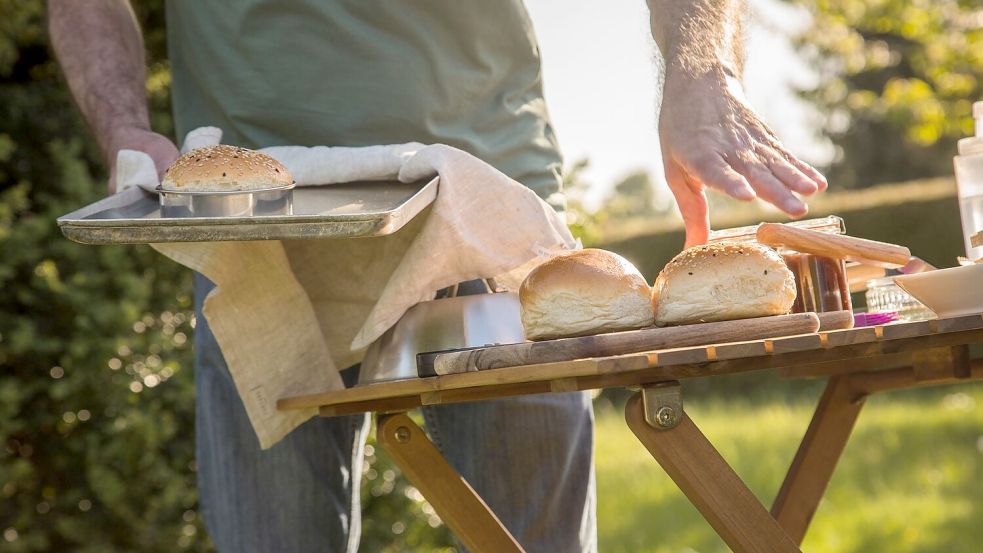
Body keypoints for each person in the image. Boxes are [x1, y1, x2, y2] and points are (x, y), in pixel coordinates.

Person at [48, 1, 827, 551]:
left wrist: (701, 74)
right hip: (255, 235)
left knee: (531, 544)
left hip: (489, 215)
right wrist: (121, 126)